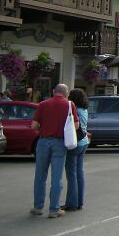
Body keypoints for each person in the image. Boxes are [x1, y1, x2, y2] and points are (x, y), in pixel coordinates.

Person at [30, 84, 78, 218]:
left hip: (43, 141)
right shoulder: (69, 105)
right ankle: (54, 209)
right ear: (66, 93)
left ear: (53, 91)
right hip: (59, 142)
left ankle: (38, 207)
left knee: (40, 175)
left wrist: (42, 130)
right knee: (57, 177)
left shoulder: (43, 104)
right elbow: (76, 125)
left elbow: (34, 125)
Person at [63, 89, 89, 212]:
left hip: (75, 143)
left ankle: (71, 203)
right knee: (79, 173)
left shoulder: (75, 110)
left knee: (71, 174)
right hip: (84, 142)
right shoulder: (84, 110)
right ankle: (80, 201)